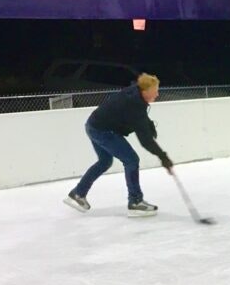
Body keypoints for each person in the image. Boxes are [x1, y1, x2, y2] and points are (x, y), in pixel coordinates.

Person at [64, 73, 173, 217]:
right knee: (131, 160)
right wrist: (163, 157)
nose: (157, 94)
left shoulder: (134, 93)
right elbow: (145, 141)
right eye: (155, 91)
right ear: (145, 91)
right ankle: (135, 202)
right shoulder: (135, 104)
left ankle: (78, 193)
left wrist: (148, 123)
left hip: (92, 125)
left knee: (105, 161)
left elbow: (138, 111)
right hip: (103, 131)